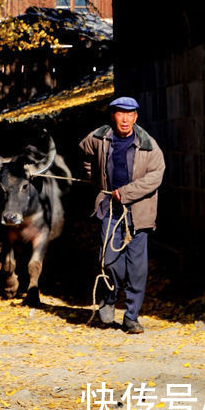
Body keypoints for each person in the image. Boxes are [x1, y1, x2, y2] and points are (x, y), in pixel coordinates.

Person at [79, 95, 165, 334]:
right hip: (110, 210)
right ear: (113, 116)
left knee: (137, 268)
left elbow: (156, 175)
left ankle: (131, 317)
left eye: (130, 114)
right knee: (109, 261)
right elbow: (84, 153)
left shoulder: (149, 144)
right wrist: (94, 178)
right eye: (120, 113)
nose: (125, 119)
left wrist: (126, 193)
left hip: (139, 213)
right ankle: (108, 297)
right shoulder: (99, 138)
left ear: (135, 117)